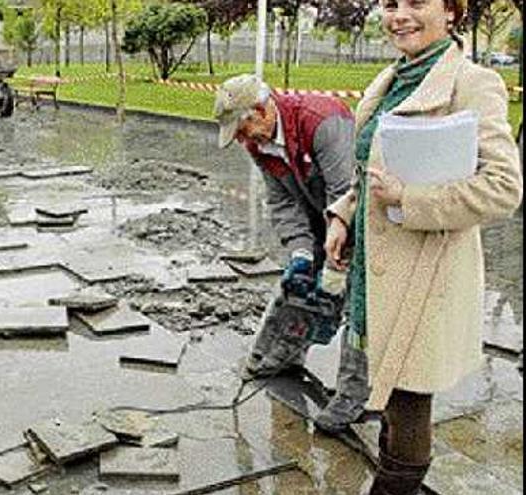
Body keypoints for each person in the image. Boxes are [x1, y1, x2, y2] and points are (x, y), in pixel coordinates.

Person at [322, 0, 522, 493]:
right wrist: (343, 216)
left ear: (452, 11)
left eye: (416, 2)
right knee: (387, 395)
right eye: (390, 4)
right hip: (376, 271)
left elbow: (503, 187)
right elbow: (369, 173)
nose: (399, 15)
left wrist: (410, 200)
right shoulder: (392, 78)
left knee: (409, 406)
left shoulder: (472, 83)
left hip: (425, 278)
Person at [214, 74, 370, 433]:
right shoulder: (259, 144)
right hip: (319, 219)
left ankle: (352, 394)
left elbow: (346, 194)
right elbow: (283, 202)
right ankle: (281, 356)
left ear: (261, 109)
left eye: (241, 128)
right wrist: (300, 252)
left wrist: (335, 265)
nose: (241, 139)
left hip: (361, 216)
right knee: (296, 285)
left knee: (355, 302)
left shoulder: (321, 121)